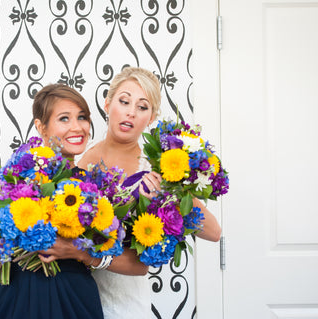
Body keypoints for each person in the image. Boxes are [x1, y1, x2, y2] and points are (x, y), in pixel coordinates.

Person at [0, 83, 104, 319]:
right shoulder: (12, 178)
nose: (77, 127)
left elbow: (107, 253)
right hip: (19, 296)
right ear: (41, 126)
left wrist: (76, 251)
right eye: (64, 118)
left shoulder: (94, 187)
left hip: (75, 298)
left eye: (82, 117)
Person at [75, 66, 222, 318]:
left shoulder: (156, 168)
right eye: (124, 101)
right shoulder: (82, 163)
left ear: (151, 117)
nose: (131, 112)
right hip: (82, 295)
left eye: (142, 107)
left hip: (129, 300)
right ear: (108, 104)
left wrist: (171, 192)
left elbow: (213, 232)